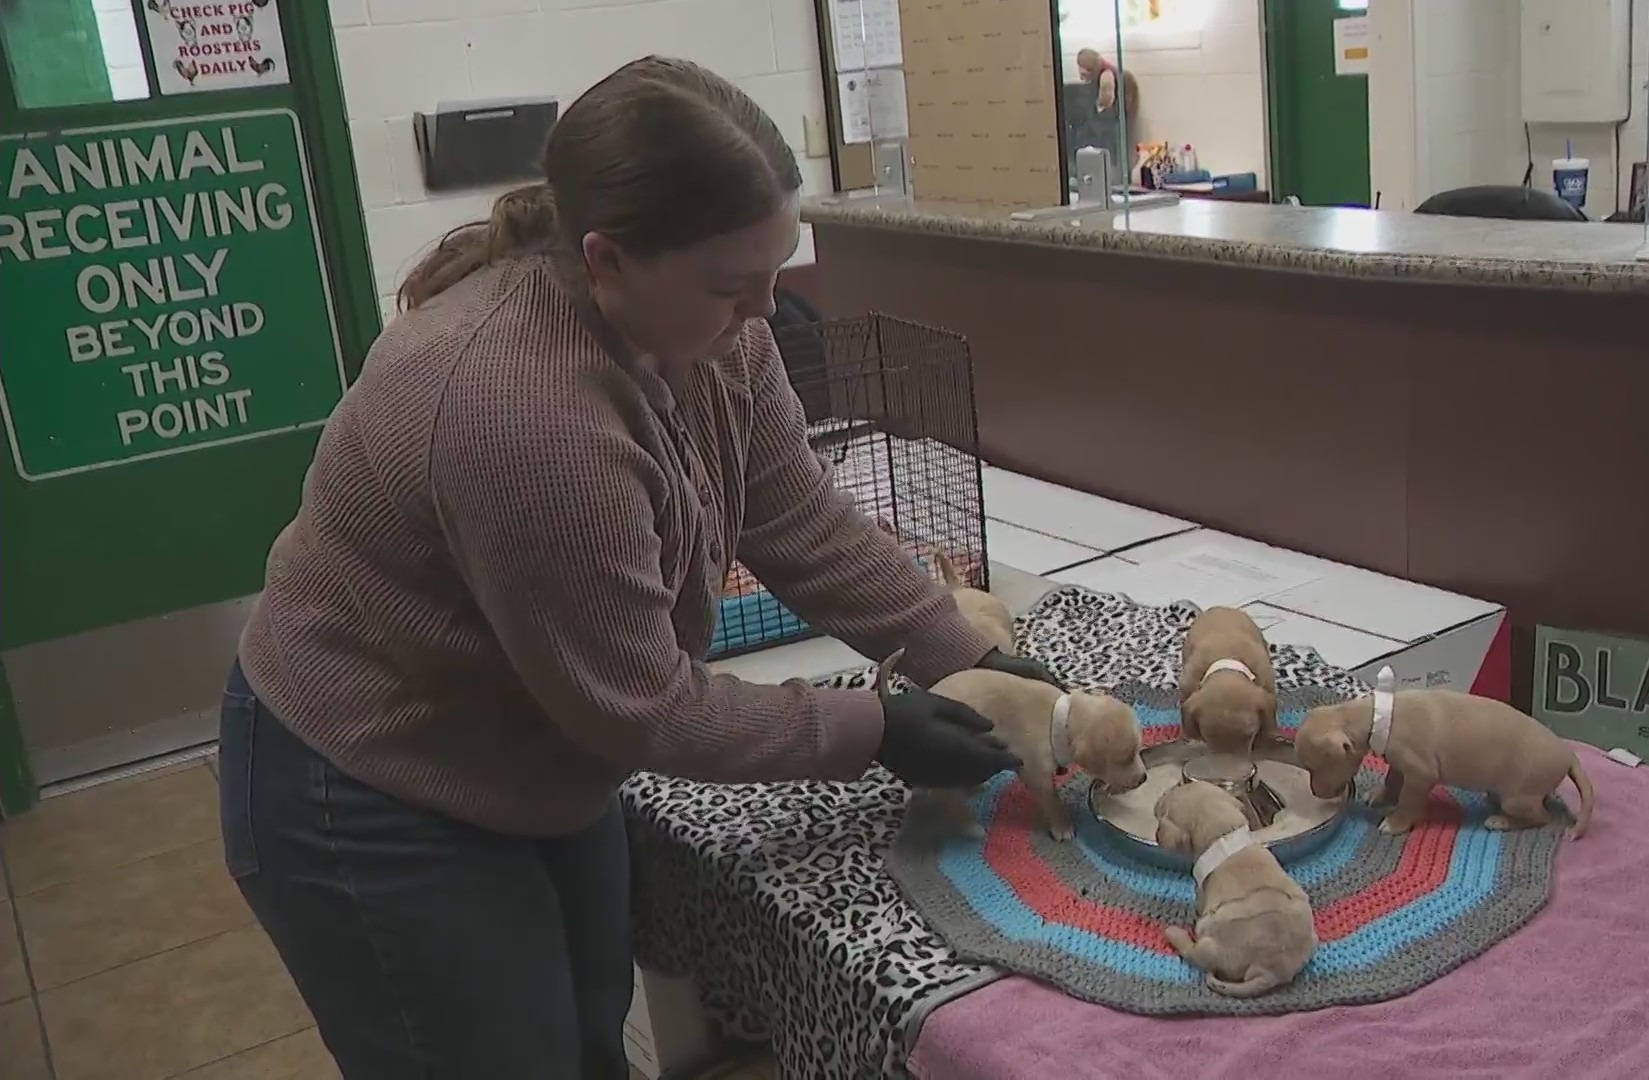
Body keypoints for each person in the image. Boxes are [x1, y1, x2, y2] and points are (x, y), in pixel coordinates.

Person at [218, 56, 1054, 1080]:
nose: (767, 312)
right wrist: (875, 729)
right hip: (372, 782)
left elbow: (799, 519)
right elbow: (641, 710)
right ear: (606, 260)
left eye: (778, 271)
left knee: (585, 1044)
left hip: (536, 760)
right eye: (730, 285)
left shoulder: (715, 335)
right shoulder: (522, 413)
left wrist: (963, 656)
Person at [1076, 47, 1140, 130]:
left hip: (1113, 124)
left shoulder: (1111, 77)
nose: (1082, 79)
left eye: (1084, 75)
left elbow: (1106, 106)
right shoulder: (1117, 76)